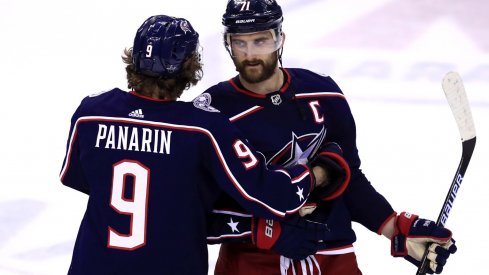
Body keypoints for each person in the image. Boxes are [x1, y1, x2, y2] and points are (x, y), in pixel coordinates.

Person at [59, 14, 345, 275]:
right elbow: (275, 197)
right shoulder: (203, 128)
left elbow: (80, 179)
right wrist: (320, 171)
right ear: (190, 66)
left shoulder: (91, 113)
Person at [201, 1, 457, 274]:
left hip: (334, 257)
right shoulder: (212, 111)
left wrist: (394, 226)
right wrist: (258, 230)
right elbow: (194, 208)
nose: (250, 54)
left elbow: (349, 176)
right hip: (251, 262)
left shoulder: (324, 93)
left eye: (260, 40)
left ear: (280, 38)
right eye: (239, 42)